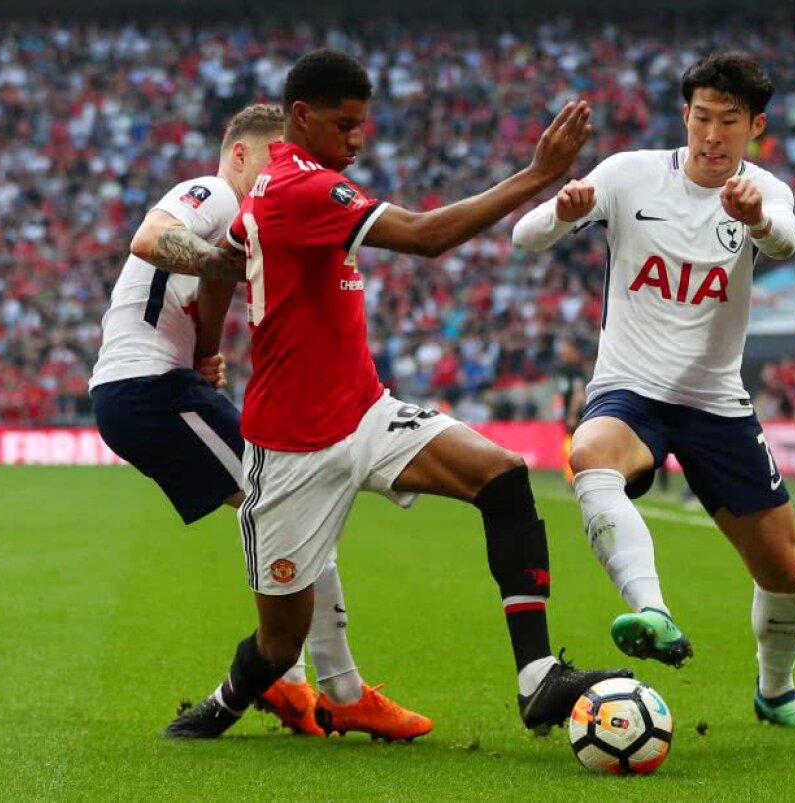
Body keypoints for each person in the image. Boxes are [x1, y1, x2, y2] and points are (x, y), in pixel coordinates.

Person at [161, 50, 629, 740]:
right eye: (345, 125)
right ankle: (225, 704)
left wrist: (209, 345)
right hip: (290, 449)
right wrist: (538, 175)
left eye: (363, 125)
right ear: (302, 116)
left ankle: (538, 680)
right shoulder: (299, 188)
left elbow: (227, 260)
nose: (358, 138)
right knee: (279, 644)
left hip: (366, 413)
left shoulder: (285, 188)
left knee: (502, 477)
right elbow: (427, 237)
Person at [512, 52, 795, 730]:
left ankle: (776, 691)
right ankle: (652, 608)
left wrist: (755, 218)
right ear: (684, 117)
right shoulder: (630, 174)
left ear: (756, 126)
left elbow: (784, 239)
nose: (712, 135)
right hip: (631, 389)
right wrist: (564, 211)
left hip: (717, 402)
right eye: (701, 118)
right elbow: (524, 237)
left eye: (728, 122)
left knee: (784, 571)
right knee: (591, 453)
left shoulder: (765, 189)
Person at [89, 103, 430, 741]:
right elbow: (148, 236)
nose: (282, 172)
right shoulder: (215, 192)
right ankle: (339, 690)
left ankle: (294, 680)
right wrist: (233, 266)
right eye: (273, 157)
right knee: (294, 505)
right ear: (240, 154)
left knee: (294, 513)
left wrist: (203, 349)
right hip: (147, 389)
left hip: (156, 386)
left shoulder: (247, 209)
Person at [556, 337, 589, 485]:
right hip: (569, 414)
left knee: (574, 445)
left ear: (574, 352)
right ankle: (572, 475)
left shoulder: (576, 371)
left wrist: (572, 414)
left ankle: (575, 475)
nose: (563, 354)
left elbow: (579, 393)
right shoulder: (564, 370)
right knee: (570, 445)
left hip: (577, 416)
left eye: (566, 352)